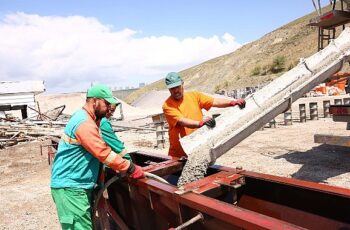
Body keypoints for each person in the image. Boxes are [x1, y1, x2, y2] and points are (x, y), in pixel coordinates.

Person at [51, 84, 144, 230]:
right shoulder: (84, 123)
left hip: (77, 186)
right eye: (106, 103)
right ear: (94, 101)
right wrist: (130, 167)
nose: (109, 108)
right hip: (71, 188)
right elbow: (103, 152)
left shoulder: (90, 120)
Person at [162, 72, 246, 158]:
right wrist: (200, 123)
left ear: (182, 84)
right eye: (172, 88)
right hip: (179, 154)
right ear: (169, 89)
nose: (176, 90)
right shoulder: (167, 105)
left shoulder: (194, 96)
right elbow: (181, 121)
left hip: (197, 147)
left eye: (177, 87)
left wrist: (232, 102)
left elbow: (214, 101)